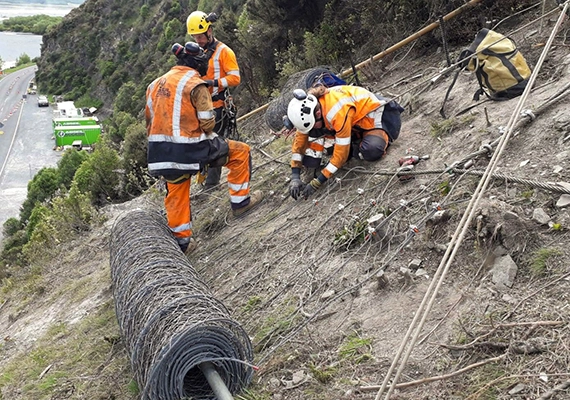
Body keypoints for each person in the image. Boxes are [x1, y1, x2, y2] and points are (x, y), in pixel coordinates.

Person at [145, 42, 263, 254]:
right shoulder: (195, 84)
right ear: (198, 63)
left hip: (159, 153)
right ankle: (241, 202)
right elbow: (208, 124)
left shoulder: (154, 84)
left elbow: (149, 120)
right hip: (192, 148)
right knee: (240, 152)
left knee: (177, 189)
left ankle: (182, 242)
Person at [286, 85, 403, 200]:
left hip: (376, 116)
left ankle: (361, 143)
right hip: (354, 124)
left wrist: (318, 181)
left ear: (317, 114)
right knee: (312, 143)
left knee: (372, 150)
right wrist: (295, 175)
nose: (311, 129)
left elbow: (341, 155)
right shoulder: (310, 111)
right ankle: (354, 142)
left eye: (312, 125)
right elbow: (299, 141)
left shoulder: (337, 112)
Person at [187, 10, 241, 190]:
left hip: (218, 105)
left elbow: (235, 78)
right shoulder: (197, 52)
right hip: (201, 106)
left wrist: (213, 82)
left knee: (214, 143)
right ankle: (202, 179)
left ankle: (211, 183)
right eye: (195, 37)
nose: (198, 40)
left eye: (200, 36)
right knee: (202, 142)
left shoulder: (224, 52)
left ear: (209, 31)